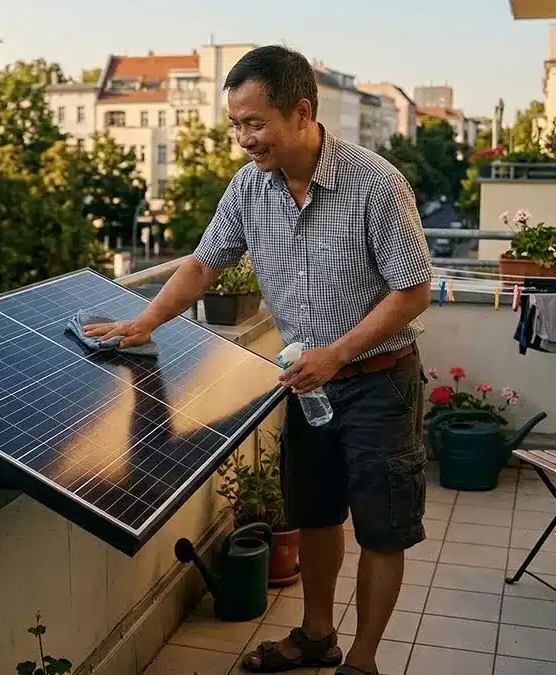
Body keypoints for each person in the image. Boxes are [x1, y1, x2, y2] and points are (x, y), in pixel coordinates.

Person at [83, 45, 432, 675]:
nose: (244, 139)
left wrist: (337, 354)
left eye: (255, 122)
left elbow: (413, 290)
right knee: (317, 517)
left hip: (379, 383)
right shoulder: (249, 188)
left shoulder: (376, 183)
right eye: (236, 124)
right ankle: (318, 636)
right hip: (308, 388)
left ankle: (364, 659)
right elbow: (202, 263)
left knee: (383, 530)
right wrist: (143, 320)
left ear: (301, 112)